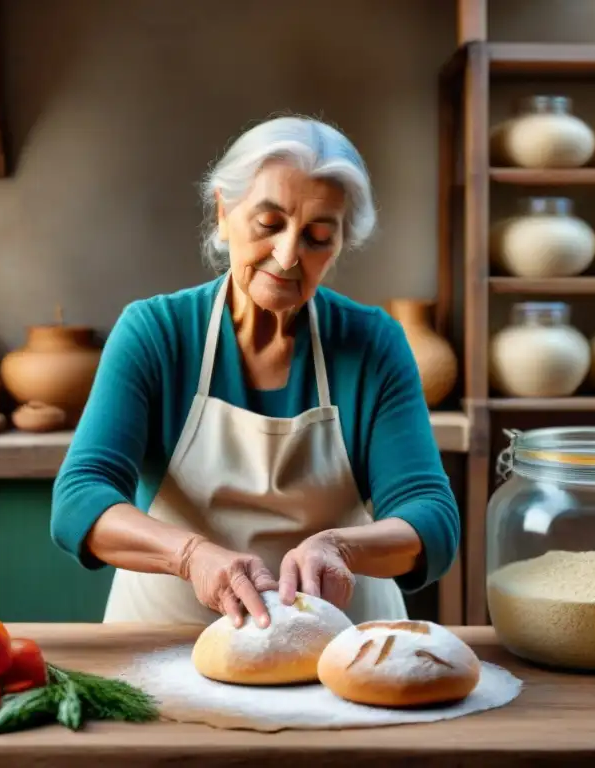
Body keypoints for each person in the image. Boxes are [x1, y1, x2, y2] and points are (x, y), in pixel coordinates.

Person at [50, 114, 460, 629]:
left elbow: (432, 518)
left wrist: (342, 548)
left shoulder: (373, 342)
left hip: (340, 644)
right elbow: (80, 499)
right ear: (223, 213)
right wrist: (191, 555)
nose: (288, 255)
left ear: (339, 246)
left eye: (316, 237)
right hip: (168, 641)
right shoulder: (156, 332)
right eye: (268, 225)